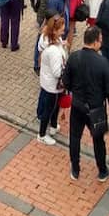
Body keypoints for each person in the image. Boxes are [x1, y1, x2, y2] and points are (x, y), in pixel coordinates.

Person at [63, 26, 109, 182]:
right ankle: (102, 171)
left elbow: (66, 82)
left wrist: (75, 91)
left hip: (77, 106)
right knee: (98, 140)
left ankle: (75, 169)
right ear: (95, 42)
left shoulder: (74, 57)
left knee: (75, 137)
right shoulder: (103, 63)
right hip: (96, 109)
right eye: (100, 40)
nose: (101, 43)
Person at [37, 13, 68, 145]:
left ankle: (54, 126)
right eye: (61, 29)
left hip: (50, 83)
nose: (63, 31)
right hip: (52, 85)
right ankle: (42, 135)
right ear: (54, 31)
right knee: (49, 110)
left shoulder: (52, 40)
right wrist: (67, 72)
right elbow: (57, 72)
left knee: (54, 107)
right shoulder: (53, 51)